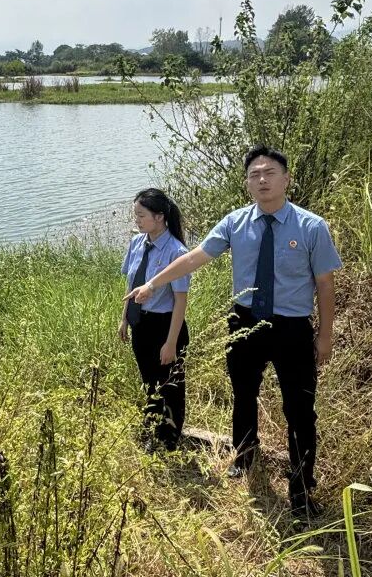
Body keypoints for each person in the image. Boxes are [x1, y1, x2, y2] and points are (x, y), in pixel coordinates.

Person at [125, 146, 341, 516]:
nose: (262, 180)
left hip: (292, 328)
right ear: (247, 183)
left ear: (286, 179)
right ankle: (244, 458)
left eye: (270, 173)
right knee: (243, 395)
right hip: (245, 322)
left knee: (300, 409)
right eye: (255, 174)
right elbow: (194, 257)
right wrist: (153, 283)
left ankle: (302, 489)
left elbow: (325, 284)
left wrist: (324, 336)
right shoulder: (235, 223)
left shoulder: (311, 227)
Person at [119, 188, 191, 452]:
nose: (136, 220)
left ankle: (170, 437)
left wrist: (171, 343)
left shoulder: (177, 252)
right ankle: (152, 428)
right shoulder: (137, 243)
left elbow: (180, 301)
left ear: (159, 217)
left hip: (166, 325)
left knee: (170, 384)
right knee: (149, 381)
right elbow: (131, 284)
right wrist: (124, 319)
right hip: (141, 323)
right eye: (135, 215)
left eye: (141, 215)